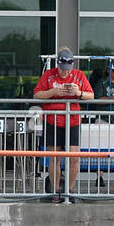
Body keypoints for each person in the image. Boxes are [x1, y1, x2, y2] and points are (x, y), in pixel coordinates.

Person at [33, 47, 93, 203]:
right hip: (52, 121)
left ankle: (69, 189)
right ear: (58, 64)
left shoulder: (79, 76)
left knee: (74, 158)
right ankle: (56, 190)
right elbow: (37, 95)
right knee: (54, 158)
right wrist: (53, 92)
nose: (65, 73)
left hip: (72, 121)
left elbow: (91, 95)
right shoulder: (48, 75)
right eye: (62, 69)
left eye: (68, 70)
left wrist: (78, 93)